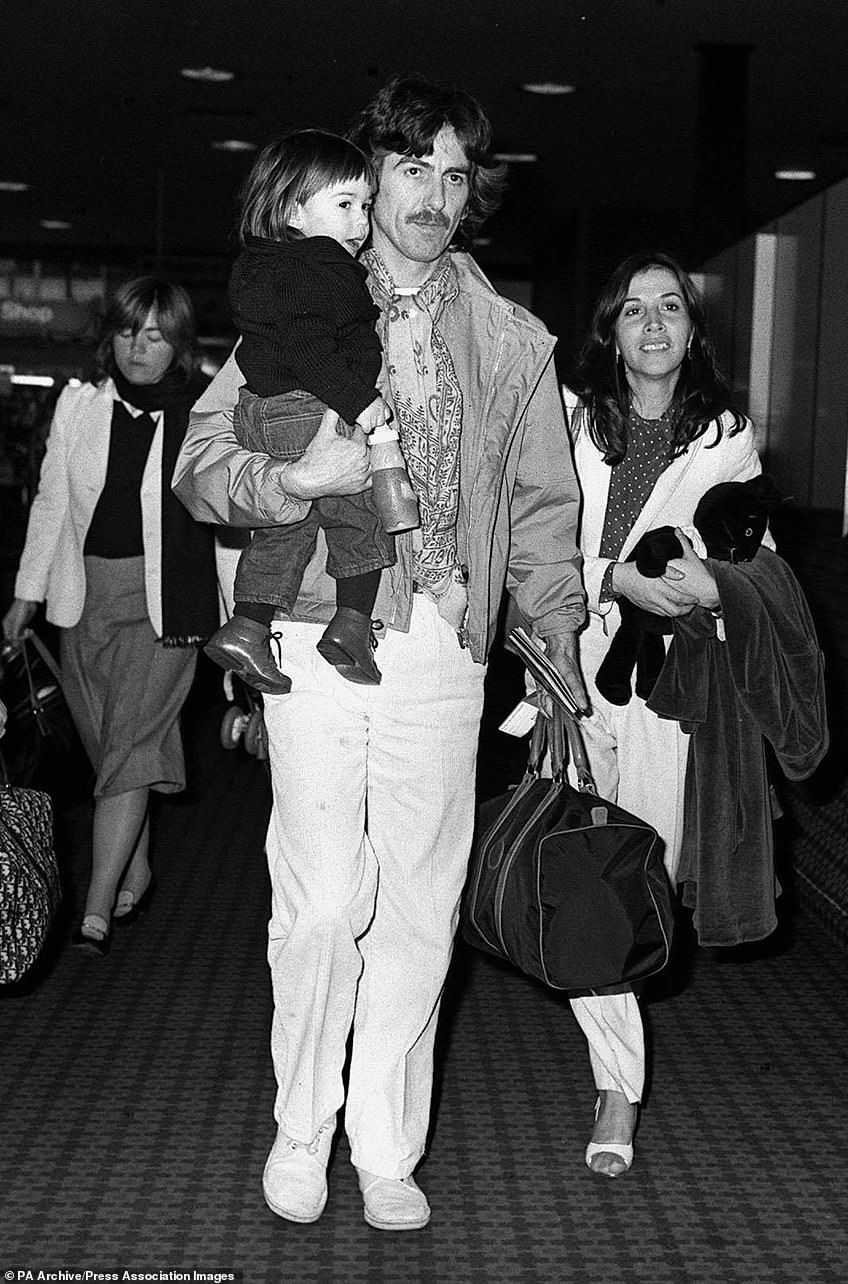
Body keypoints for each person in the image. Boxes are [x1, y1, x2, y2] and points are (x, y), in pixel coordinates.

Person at [173, 73, 588, 1231]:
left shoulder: (508, 338)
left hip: (448, 646)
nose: (433, 195)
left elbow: (545, 507)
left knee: (418, 902)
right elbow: (201, 463)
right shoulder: (300, 290)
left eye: (456, 175)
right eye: (414, 167)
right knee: (316, 904)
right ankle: (299, 1126)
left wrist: (550, 635)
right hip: (313, 630)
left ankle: (383, 1146)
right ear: (374, 173)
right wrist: (287, 479)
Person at [564, 251, 769, 1177]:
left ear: (693, 328)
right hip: (567, 667)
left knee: (642, 871)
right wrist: (615, 580)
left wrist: (703, 586)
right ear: (609, 330)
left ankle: (615, 1063)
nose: (653, 323)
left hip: (667, 687)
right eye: (634, 309)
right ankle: (619, 1082)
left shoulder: (727, 438)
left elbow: (746, 565)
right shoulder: (569, 423)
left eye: (671, 307)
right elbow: (535, 547)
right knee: (576, 869)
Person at [2, 277, 218, 958]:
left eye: (155, 335)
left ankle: (94, 910)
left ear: (179, 344)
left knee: (129, 747)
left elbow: (229, 526)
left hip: (168, 607)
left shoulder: (202, 415)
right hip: (82, 600)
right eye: (128, 332)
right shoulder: (79, 407)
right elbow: (50, 503)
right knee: (107, 750)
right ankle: (137, 860)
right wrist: (25, 594)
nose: (138, 348)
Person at [204, 129, 399, 695]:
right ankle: (353, 624)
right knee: (357, 515)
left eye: (365, 206)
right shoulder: (319, 266)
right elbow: (313, 347)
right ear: (291, 209)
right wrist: (362, 405)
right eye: (345, 206)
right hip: (311, 409)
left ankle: (248, 625)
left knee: (286, 527)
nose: (361, 222)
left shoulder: (264, 267)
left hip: (264, 413)